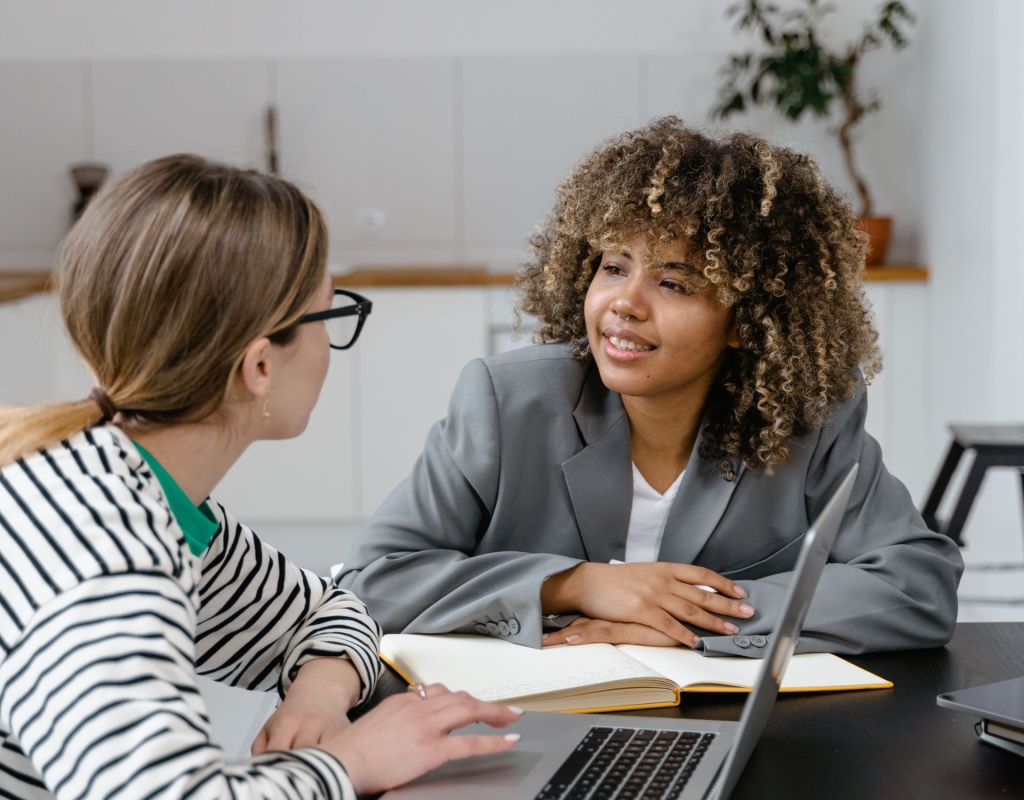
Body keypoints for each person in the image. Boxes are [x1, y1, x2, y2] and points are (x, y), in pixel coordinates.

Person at [338, 117, 963, 657]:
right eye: (613, 267)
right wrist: (575, 583)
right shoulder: (506, 402)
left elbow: (916, 584)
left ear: (747, 322)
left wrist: (691, 619)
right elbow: (372, 581)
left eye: (674, 283)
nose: (624, 304)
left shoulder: (808, 420)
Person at [0, 155, 520, 800]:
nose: (332, 347)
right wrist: (353, 761)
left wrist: (322, 694)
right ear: (259, 367)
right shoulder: (100, 545)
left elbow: (332, 610)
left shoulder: (154, 501)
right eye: (329, 316)